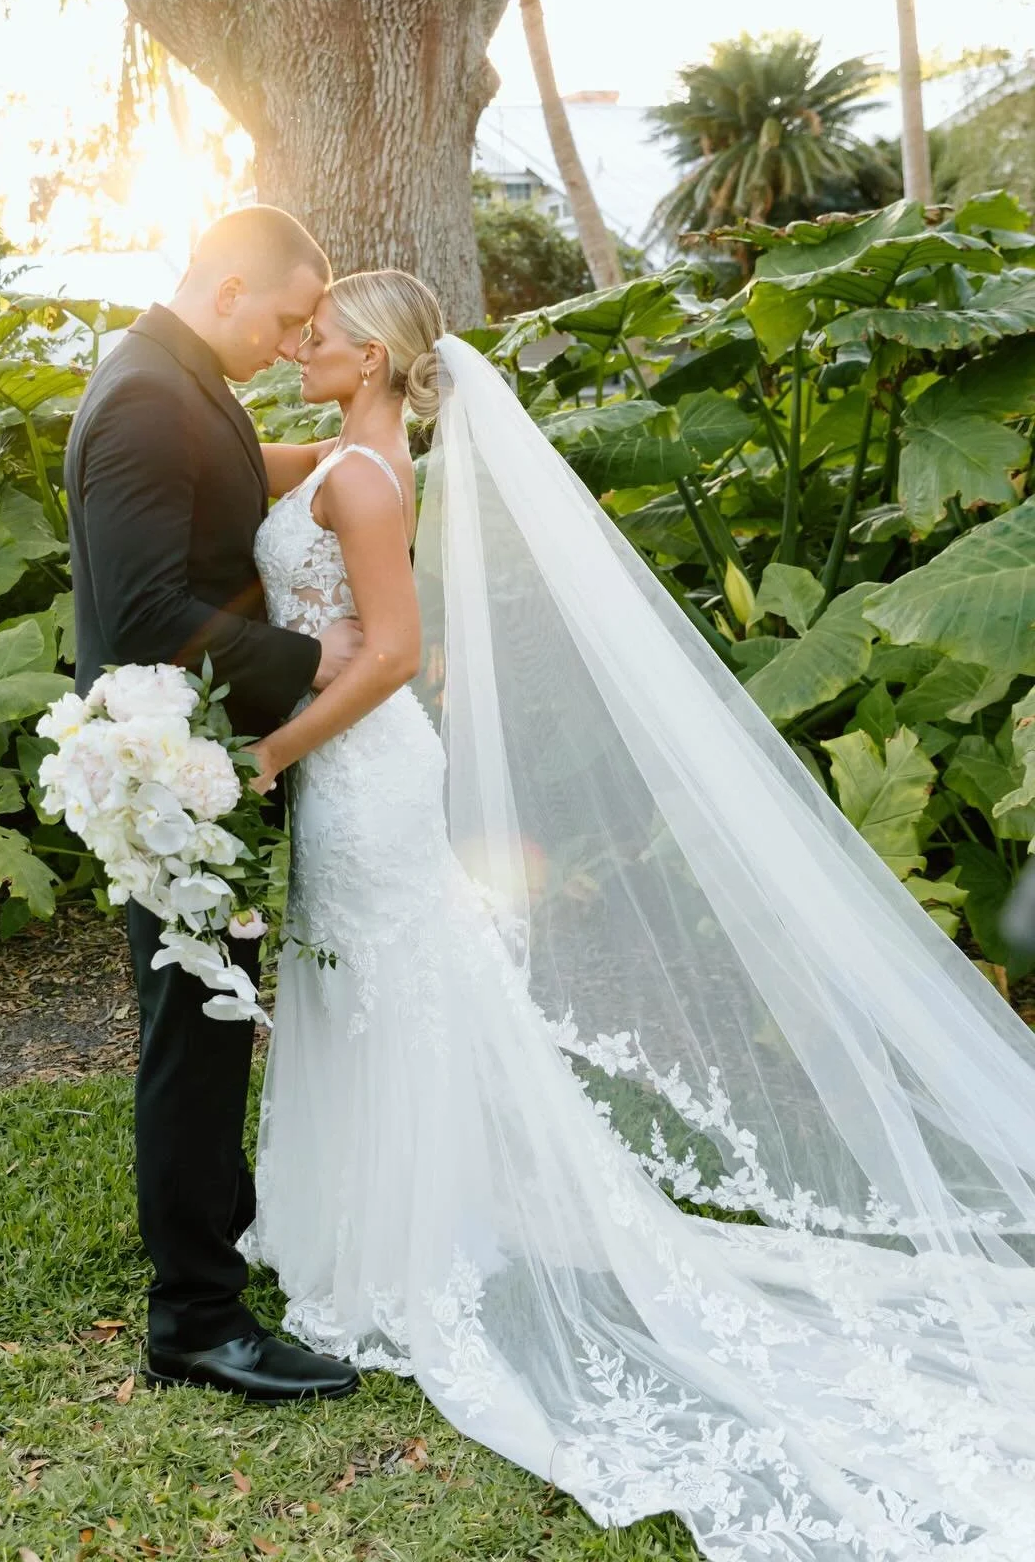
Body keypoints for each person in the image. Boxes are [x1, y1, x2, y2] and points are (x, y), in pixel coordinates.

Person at [239, 266, 1035, 1561]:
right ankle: (386, 1209)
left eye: (323, 331)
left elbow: (392, 654)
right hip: (350, 772)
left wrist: (272, 754)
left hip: (360, 774)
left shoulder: (369, 481)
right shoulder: (347, 456)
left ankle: (413, 1233)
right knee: (376, 980)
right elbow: (257, 486)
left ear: (380, 360)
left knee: (396, 977)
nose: (302, 337)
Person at [63, 205, 361, 1403]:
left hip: (194, 761)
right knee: (194, 1030)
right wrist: (308, 661)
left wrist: (369, 457)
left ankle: (217, 1241)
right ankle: (194, 1317)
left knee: (214, 1014)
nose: (297, 344)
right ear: (230, 288)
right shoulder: (144, 395)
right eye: (290, 317)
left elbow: (234, 491)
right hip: (169, 768)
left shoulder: (181, 376)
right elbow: (139, 615)